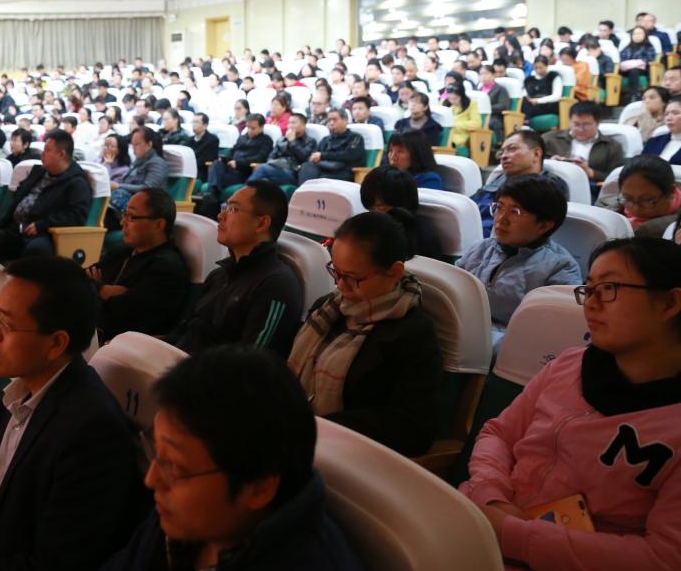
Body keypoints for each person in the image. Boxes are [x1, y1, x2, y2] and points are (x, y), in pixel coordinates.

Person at [0, 257, 144, 571]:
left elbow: (53, 563)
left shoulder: (91, 431)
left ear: (55, 344)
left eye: (6, 323)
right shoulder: (18, 392)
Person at [459, 237, 681, 571]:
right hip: (480, 519)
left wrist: (511, 532)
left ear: (669, 303)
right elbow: (498, 434)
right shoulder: (570, 364)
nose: (591, 304)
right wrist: (491, 495)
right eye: (588, 290)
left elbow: (664, 557)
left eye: (609, 288)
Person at [103, 346, 363, 571]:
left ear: (258, 487)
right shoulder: (186, 519)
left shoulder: (310, 561)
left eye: (174, 466)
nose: (151, 480)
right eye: (157, 454)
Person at [287, 210, 441, 456]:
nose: (340, 285)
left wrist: (320, 426)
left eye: (352, 278)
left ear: (394, 272)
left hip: (352, 453)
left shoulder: (412, 333)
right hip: (301, 432)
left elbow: (414, 427)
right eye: (336, 272)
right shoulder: (329, 308)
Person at [165, 181, 301, 358]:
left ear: (262, 223)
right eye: (225, 207)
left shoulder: (276, 285)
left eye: (233, 209)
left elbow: (252, 363)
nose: (220, 215)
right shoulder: (219, 275)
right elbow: (185, 332)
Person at [458, 175, 582, 345]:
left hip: (510, 347)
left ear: (544, 225)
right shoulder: (480, 249)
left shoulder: (560, 268)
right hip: (463, 332)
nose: (501, 219)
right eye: (499, 207)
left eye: (515, 212)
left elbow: (548, 333)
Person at [87, 188, 188, 341]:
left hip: (119, 343)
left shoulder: (167, 267)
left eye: (131, 217)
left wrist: (96, 287)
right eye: (124, 214)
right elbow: (81, 277)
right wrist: (101, 289)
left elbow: (121, 315)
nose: (122, 223)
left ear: (158, 225)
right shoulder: (122, 251)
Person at [0, 129, 91, 261]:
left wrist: (43, 224)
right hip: (17, 226)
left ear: (61, 154)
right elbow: (19, 197)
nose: (42, 154)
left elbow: (77, 216)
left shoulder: (77, 182)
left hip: (45, 233)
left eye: (47, 150)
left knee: (37, 249)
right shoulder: (38, 172)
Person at [471, 130, 567, 237]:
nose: (503, 156)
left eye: (512, 149)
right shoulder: (497, 181)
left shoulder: (550, 188)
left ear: (536, 154)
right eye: (502, 152)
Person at [359, 165, 442, 260]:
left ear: (403, 203)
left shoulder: (421, 239)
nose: (374, 213)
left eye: (381, 206)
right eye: (370, 207)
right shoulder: (365, 228)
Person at [543, 100, 625, 183]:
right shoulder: (550, 139)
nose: (580, 129)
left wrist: (590, 172)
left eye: (586, 125)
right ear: (570, 121)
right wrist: (551, 163)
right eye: (576, 124)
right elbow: (537, 164)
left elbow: (618, 177)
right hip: (554, 182)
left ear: (597, 123)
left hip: (591, 185)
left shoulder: (612, 146)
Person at [108, 127, 169, 223]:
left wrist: (119, 186)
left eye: (136, 145)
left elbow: (148, 188)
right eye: (132, 145)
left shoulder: (157, 163)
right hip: (129, 205)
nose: (133, 148)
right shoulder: (138, 161)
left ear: (149, 144)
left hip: (146, 209)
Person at [205, 114, 273, 199]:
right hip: (230, 169)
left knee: (215, 179)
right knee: (216, 163)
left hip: (243, 172)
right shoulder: (242, 138)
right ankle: (212, 195)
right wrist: (225, 159)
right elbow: (232, 151)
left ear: (261, 127)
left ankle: (211, 195)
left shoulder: (266, 141)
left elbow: (260, 158)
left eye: (253, 128)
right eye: (248, 127)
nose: (250, 131)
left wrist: (238, 163)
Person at [612, 156, 681, 238]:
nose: (636, 209)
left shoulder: (655, 230)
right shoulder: (616, 206)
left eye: (647, 200)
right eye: (628, 198)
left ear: (671, 192)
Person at [298, 109, 366, 184]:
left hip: (344, 172)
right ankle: (306, 190)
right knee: (306, 167)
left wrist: (323, 156)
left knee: (315, 177)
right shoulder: (326, 139)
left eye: (334, 120)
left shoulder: (356, 137)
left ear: (345, 120)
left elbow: (350, 155)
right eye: (329, 120)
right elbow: (315, 156)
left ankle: (307, 190)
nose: (331, 123)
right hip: (325, 169)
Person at [248, 113, 314, 186]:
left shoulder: (310, 141)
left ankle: (246, 189)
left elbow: (304, 158)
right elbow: (270, 157)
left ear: (303, 125)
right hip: (277, 169)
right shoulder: (282, 140)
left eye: (293, 123)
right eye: (289, 123)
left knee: (262, 168)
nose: (290, 126)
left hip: (294, 173)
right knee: (263, 181)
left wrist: (292, 141)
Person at [620, 26, 657, 103]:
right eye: (635, 34)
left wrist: (634, 62)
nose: (637, 36)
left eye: (639, 33)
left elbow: (649, 59)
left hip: (642, 70)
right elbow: (621, 58)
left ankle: (634, 96)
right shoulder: (627, 47)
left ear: (645, 35)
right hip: (626, 69)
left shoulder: (649, 47)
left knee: (634, 70)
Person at [521, 56, 563, 122]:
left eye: (541, 67)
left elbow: (557, 96)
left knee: (529, 108)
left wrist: (538, 101)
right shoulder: (529, 80)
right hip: (532, 104)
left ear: (546, 66)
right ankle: (525, 122)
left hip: (549, 104)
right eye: (536, 68)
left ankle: (526, 122)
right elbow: (525, 94)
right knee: (523, 102)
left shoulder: (553, 76)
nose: (538, 70)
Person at [640, 97, 681, 163]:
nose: (669, 118)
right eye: (666, 114)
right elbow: (640, 164)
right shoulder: (653, 142)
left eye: (675, 113)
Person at [444, 81, 481, 148]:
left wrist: (456, 125)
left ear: (462, 96)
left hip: (460, 135)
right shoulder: (445, 103)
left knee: (447, 143)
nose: (452, 101)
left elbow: (476, 123)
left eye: (455, 98)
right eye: (449, 98)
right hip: (445, 133)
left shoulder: (471, 104)